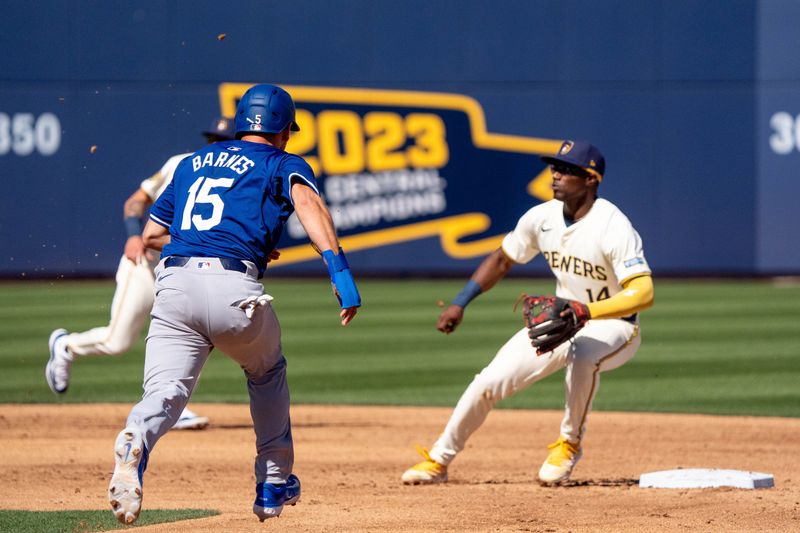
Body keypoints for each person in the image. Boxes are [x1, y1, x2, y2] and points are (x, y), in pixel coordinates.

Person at [106, 84, 361, 525]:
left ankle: (136, 440)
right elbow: (308, 204)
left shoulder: (190, 163)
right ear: (283, 129)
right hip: (232, 288)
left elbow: (150, 235)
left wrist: (216, 241)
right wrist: (339, 271)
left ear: (242, 121)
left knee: (165, 393)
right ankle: (273, 481)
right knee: (266, 372)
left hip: (175, 285)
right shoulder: (283, 162)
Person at [401, 140, 654, 486]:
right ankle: (439, 460)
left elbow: (643, 292)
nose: (556, 174)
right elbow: (503, 258)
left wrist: (587, 310)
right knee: (487, 382)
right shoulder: (542, 217)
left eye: (567, 170)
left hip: (614, 326)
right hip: (563, 320)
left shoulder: (612, 225)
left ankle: (569, 443)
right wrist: (461, 301)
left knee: (583, 356)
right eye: (554, 167)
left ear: (591, 179)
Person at [45, 118, 236, 430]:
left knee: (196, 334)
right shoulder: (181, 164)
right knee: (117, 341)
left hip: (187, 270)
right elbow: (135, 202)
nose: (217, 143)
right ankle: (66, 346)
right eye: (214, 137)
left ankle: (174, 405)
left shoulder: (242, 176)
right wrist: (135, 234)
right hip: (146, 265)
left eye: (224, 138)